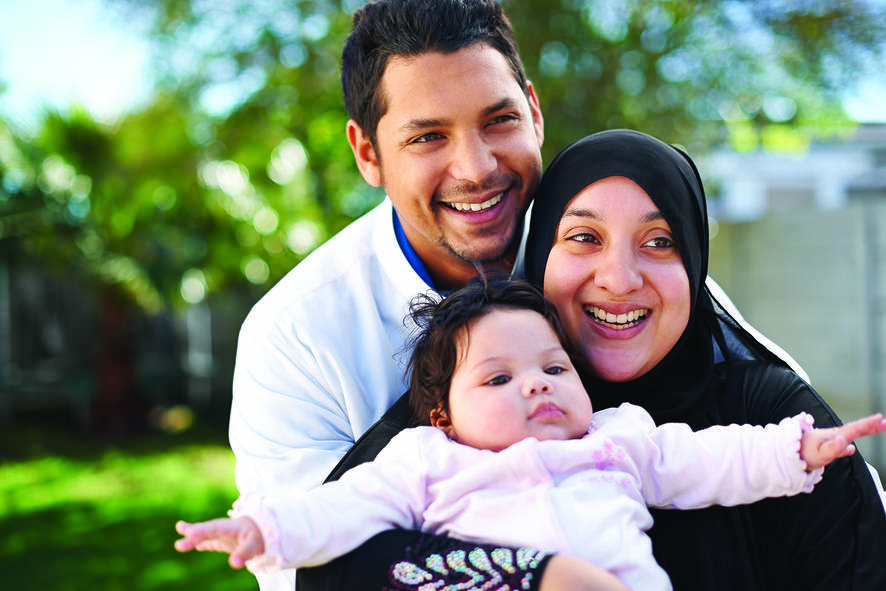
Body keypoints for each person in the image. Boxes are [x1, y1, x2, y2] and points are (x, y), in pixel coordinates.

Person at [177, 277, 886, 591]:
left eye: (554, 365)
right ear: (443, 414)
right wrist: (263, 529)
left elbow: (708, 458)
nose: (537, 383)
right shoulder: (425, 461)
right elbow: (339, 509)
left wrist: (794, 449)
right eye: (498, 379)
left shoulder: (619, 437)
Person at [228, 0, 546, 589]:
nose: (476, 168)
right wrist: (542, 576)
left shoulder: (615, 260)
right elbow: (312, 570)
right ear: (368, 153)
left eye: (499, 120)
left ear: (534, 113)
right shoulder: (295, 336)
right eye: (428, 136)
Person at [522, 128, 886, 589]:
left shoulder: (773, 420)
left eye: (659, 241)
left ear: (694, 264)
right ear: (539, 255)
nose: (619, 279)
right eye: (584, 236)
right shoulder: (476, 416)